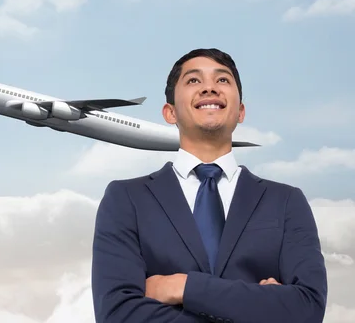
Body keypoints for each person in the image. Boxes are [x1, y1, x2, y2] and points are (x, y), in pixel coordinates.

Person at [91, 48, 327, 323]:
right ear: (170, 113)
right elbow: (117, 314)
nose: (209, 88)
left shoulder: (286, 201)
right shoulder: (126, 199)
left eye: (223, 80)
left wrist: (183, 287)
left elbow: (307, 310)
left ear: (240, 112)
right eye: (193, 81)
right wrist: (262, 308)